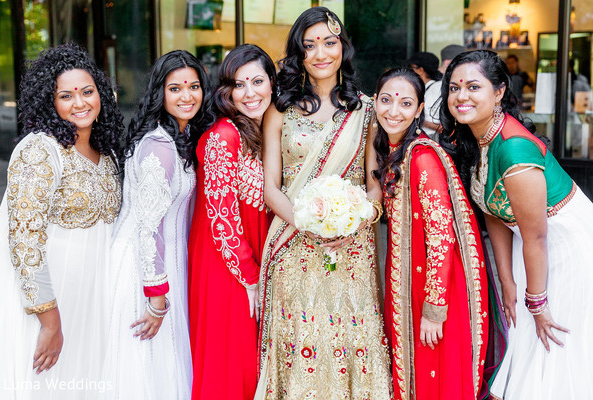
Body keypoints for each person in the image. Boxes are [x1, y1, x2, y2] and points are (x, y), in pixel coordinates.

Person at [440, 49, 593, 399]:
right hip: (533, 248)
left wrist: (537, 303)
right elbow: (492, 211)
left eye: (473, 87)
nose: (461, 96)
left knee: (552, 339)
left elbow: (537, 235)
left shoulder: (514, 150)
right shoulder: (480, 138)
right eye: (454, 87)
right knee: (524, 330)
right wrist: (506, 281)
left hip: (565, 248)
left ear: (499, 92)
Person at [256, 7, 392, 399]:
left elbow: (375, 185)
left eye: (329, 43)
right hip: (294, 246)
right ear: (298, 54)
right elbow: (272, 189)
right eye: (309, 45)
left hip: (351, 249)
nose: (320, 54)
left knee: (351, 341)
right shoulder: (279, 110)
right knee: (303, 340)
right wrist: (310, 225)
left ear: (342, 48)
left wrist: (350, 223)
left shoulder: (366, 110)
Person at [0, 42, 123, 399]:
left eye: (87, 92)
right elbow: (24, 239)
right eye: (66, 95)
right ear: (50, 102)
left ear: (101, 93)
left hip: (92, 296)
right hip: (51, 301)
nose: (80, 103)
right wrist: (49, 321)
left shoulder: (106, 151)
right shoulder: (40, 149)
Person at [103, 50, 214, 399]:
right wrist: (156, 299)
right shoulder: (159, 146)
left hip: (165, 266)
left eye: (194, 86)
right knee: (146, 368)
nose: (187, 96)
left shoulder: (177, 139)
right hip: (145, 270)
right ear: (160, 93)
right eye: (176, 88)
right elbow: (149, 229)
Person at [373, 67, 490, 400]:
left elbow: (441, 238)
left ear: (419, 110)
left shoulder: (422, 157)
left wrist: (434, 310)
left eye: (405, 103)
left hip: (434, 291)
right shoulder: (396, 152)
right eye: (386, 100)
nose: (393, 111)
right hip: (408, 281)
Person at [188, 44, 275, 400]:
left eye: (258, 81)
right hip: (227, 267)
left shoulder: (259, 131)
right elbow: (221, 217)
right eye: (240, 85)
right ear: (227, 91)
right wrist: (250, 278)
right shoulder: (225, 136)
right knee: (230, 362)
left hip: (249, 260)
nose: (250, 93)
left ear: (272, 83)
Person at [408, 51, 443, 138]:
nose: (408, 71)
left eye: (411, 67)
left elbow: (440, 126)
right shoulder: (427, 88)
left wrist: (416, 118)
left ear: (420, 70)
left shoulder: (437, 88)